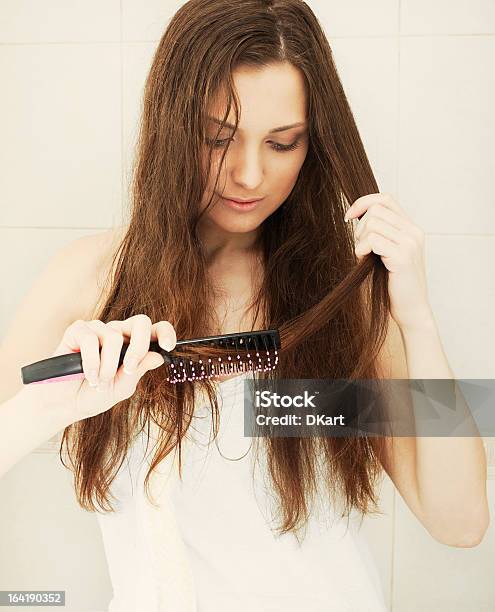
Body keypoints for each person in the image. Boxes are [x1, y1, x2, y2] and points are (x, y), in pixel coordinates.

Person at [0, 1, 488, 611]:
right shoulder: (92, 278)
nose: (249, 175)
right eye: (216, 138)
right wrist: (46, 407)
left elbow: (461, 522)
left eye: (283, 144)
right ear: (170, 125)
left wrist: (416, 317)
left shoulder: (342, 296)